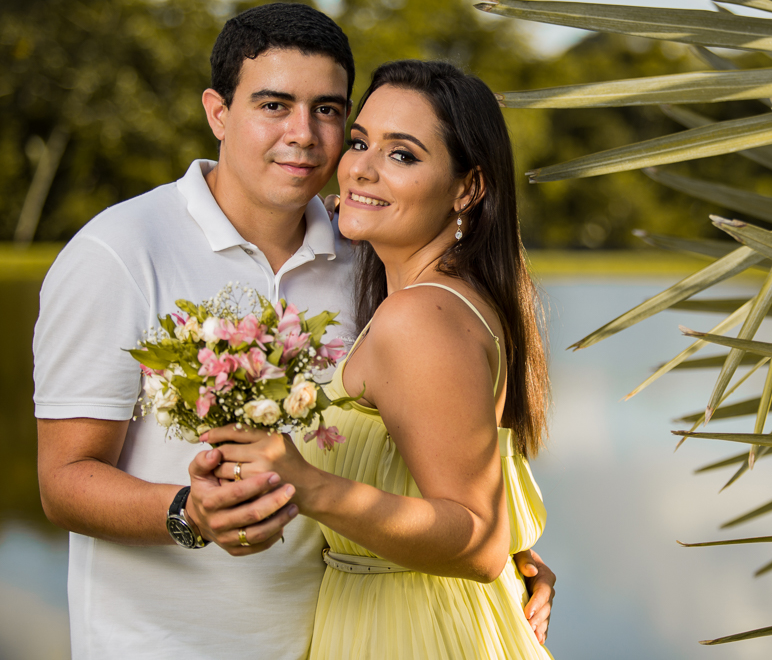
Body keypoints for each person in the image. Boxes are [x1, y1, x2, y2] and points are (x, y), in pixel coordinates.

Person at [33, 4, 554, 660]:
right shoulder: (120, 252)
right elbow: (65, 479)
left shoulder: (368, 252)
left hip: (336, 637)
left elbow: (431, 439)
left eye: (330, 111)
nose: (305, 134)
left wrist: (504, 550)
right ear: (218, 112)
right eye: (274, 105)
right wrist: (188, 513)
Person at [198, 59, 553, 658]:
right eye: (360, 142)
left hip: (417, 631)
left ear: (468, 188)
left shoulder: (422, 316)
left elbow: (480, 541)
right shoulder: (442, 298)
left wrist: (307, 484)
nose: (361, 167)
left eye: (403, 155)